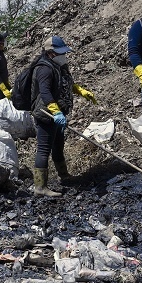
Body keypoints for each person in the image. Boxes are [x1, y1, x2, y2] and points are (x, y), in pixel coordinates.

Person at [30, 36, 97, 197]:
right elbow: (45, 92)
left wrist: (80, 90)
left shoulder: (60, 66)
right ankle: (39, 187)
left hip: (58, 113)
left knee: (58, 144)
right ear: (51, 53)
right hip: (46, 114)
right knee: (44, 148)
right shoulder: (44, 69)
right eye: (61, 53)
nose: (64, 56)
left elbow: (65, 83)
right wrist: (56, 112)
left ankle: (64, 175)